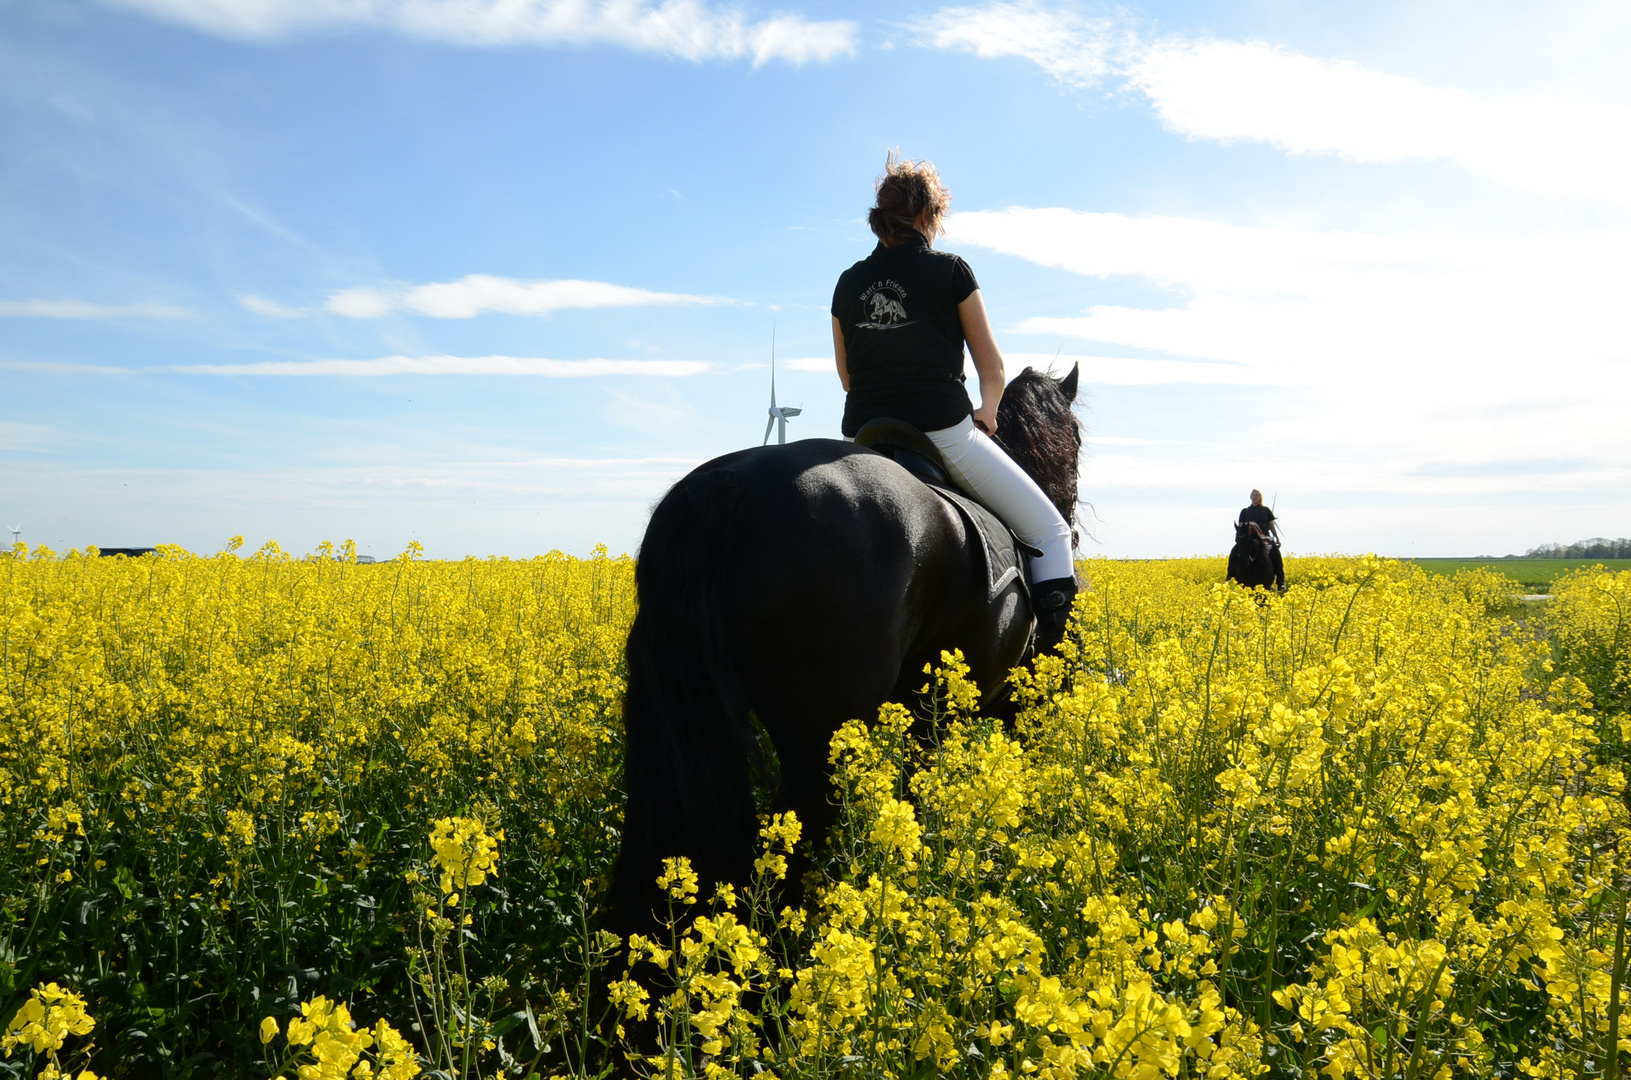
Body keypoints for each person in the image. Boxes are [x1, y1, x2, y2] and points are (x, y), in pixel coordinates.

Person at [831, 153, 1077, 647]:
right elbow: (993, 368)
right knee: (1051, 533)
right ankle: (1055, 663)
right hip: (941, 431)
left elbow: (846, 379)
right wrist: (987, 412)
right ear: (929, 216)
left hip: (865, 433)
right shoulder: (951, 271)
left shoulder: (848, 282)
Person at [1238, 489, 1286, 591]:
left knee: (1276, 554)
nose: (1255, 497)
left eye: (1257, 495)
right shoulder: (1245, 511)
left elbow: (1271, 525)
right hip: (1249, 540)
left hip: (1265, 538)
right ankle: (1229, 577)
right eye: (1253, 495)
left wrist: (1277, 537)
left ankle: (1281, 581)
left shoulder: (1266, 510)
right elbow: (1241, 525)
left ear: (1260, 498)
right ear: (1250, 497)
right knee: (1234, 552)